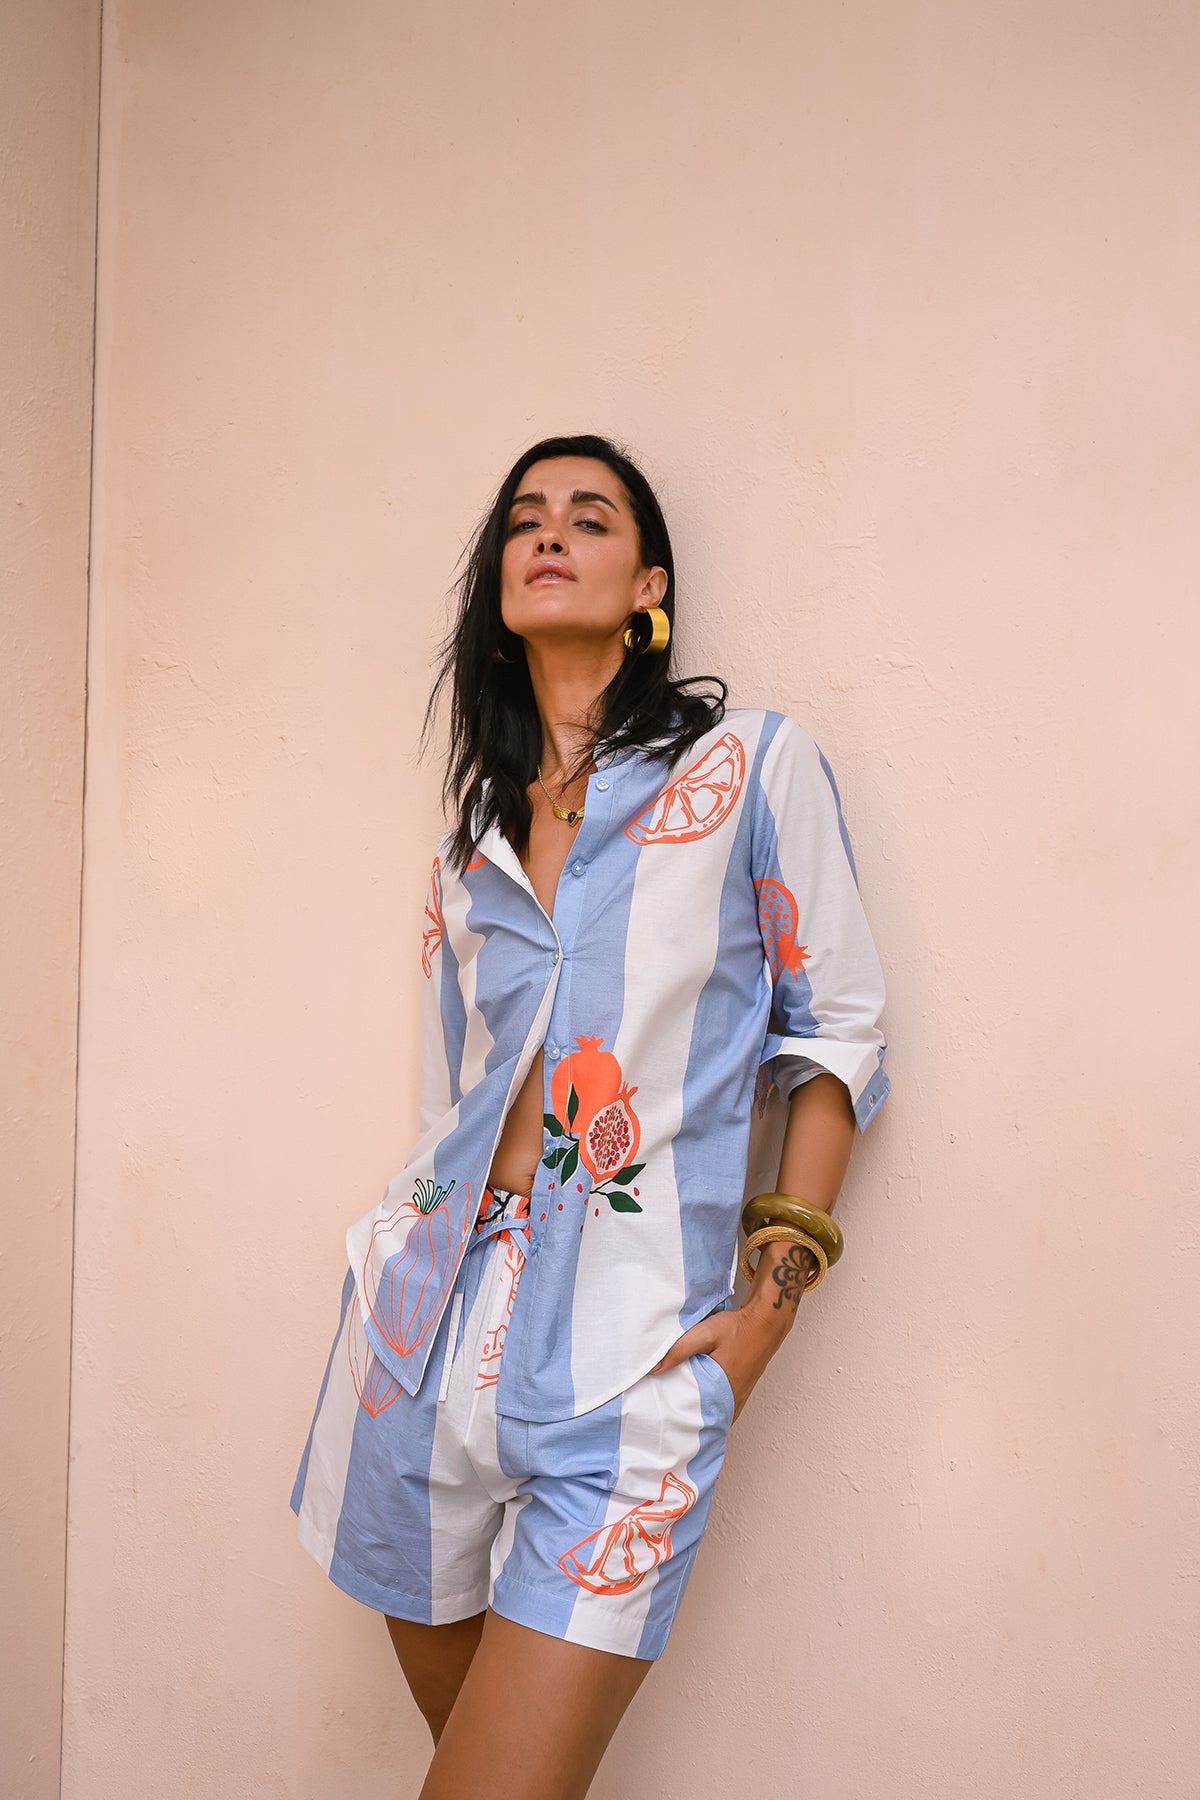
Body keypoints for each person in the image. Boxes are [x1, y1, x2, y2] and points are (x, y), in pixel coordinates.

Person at [289, 433, 891, 1799]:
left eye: (590, 516)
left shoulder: (747, 770)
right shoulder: (472, 844)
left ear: (649, 587)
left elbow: (838, 1035)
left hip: (633, 1358)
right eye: (527, 518)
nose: (550, 532)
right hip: (420, 1347)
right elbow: (451, 1100)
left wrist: (769, 1307)